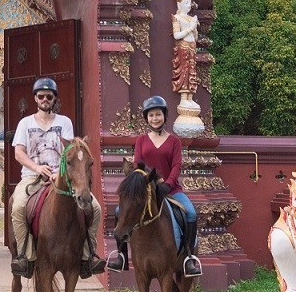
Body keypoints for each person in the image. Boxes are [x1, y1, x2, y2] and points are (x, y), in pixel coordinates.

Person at [10, 76, 104, 279]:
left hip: (62, 177)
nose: (45, 99)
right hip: (31, 178)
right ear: (35, 98)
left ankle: (89, 255)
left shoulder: (64, 122)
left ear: (54, 99)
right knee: (18, 208)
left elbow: (69, 152)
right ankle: (24, 256)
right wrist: (37, 168)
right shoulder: (25, 123)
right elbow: (19, 153)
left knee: (94, 208)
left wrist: (57, 173)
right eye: (41, 96)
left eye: (49, 96)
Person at [107, 95, 202, 277]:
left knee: (190, 213)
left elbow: (176, 165)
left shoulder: (174, 141)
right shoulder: (142, 140)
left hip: (171, 191)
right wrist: (150, 182)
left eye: (158, 114)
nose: (155, 118)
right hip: (146, 191)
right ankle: (121, 256)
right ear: (146, 118)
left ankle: (189, 258)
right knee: (120, 211)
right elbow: (137, 165)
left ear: (165, 116)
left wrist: (167, 184)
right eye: (151, 115)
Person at [171, 0, 199, 98]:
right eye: (186, 3)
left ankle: (190, 97)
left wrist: (195, 29)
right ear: (179, 4)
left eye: (189, 3)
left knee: (192, 72)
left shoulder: (191, 18)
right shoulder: (177, 18)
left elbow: (196, 38)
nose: (189, 5)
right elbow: (177, 36)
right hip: (183, 47)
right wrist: (190, 28)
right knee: (184, 72)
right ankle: (183, 98)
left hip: (192, 47)